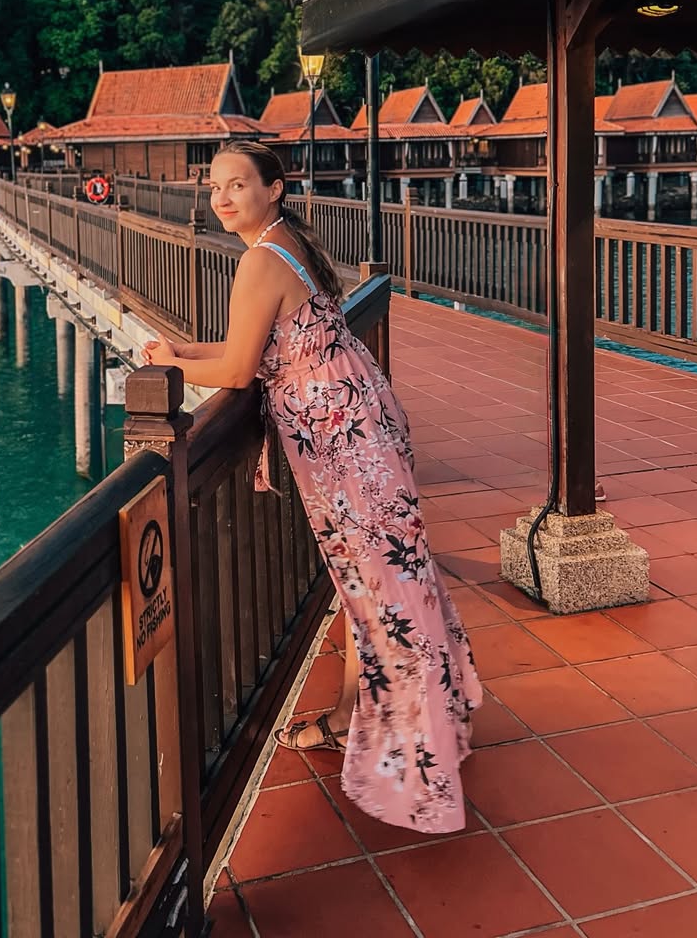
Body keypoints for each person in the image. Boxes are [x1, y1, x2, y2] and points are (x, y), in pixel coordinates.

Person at [143, 141, 482, 833]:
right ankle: (401, 723)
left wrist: (175, 361)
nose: (224, 198)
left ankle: (414, 758)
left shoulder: (260, 259)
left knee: (381, 588)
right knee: (383, 583)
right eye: (215, 187)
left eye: (239, 184)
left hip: (344, 445)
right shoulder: (284, 241)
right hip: (361, 428)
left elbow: (238, 372)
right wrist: (178, 353)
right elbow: (257, 347)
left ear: (273, 187)